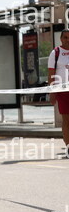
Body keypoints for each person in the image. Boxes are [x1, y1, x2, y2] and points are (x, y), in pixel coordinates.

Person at [48, 29, 69, 157]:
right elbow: (51, 74)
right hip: (62, 92)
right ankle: (68, 147)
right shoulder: (55, 53)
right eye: (65, 37)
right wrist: (52, 93)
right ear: (61, 39)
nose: (67, 40)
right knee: (66, 120)